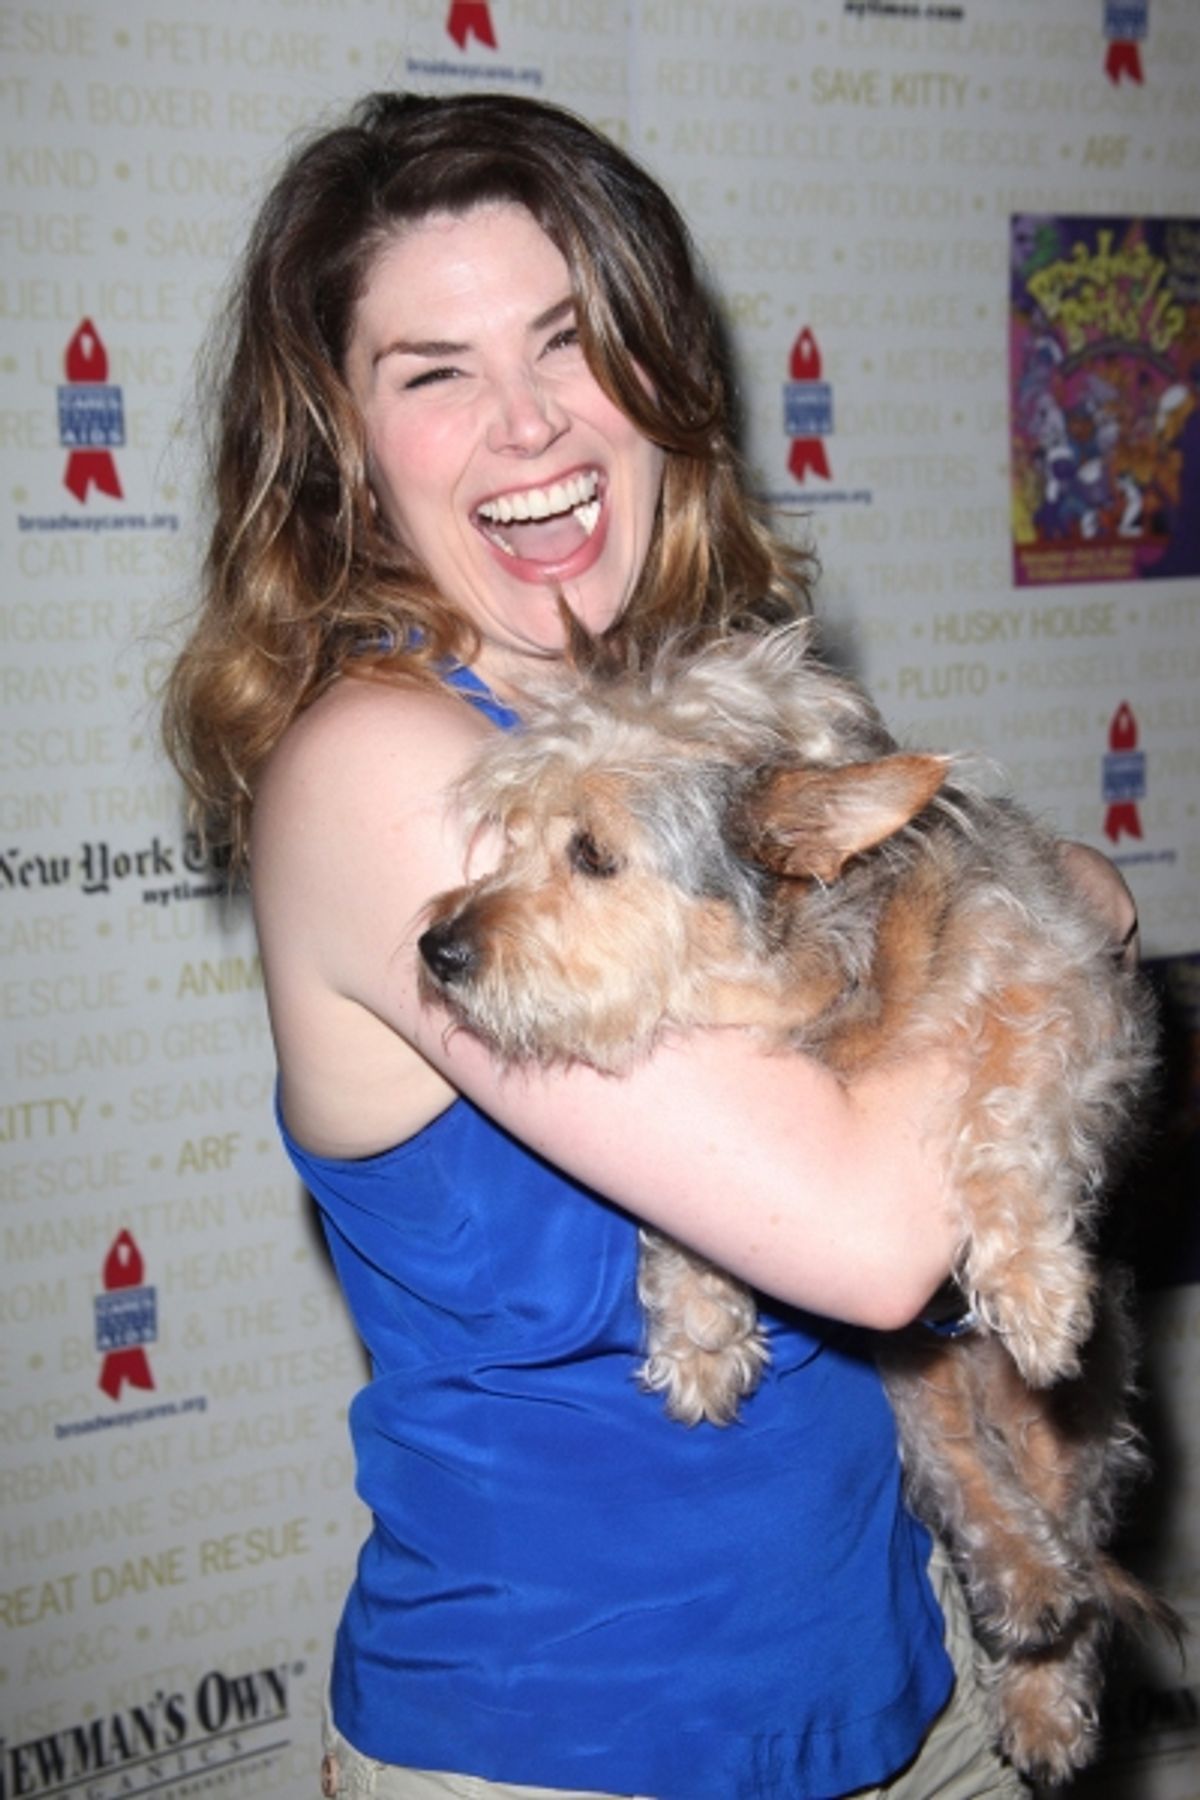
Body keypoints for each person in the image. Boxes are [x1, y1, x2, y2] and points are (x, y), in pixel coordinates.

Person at [164, 92, 1136, 1800]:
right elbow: (867, 1232)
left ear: (656, 369)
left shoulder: (687, 730)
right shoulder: (384, 776)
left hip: (898, 1699)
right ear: (343, 442)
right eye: (435, 372)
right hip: (567, 1742)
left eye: (571, 341)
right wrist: (1051, 906)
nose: (529, 425)